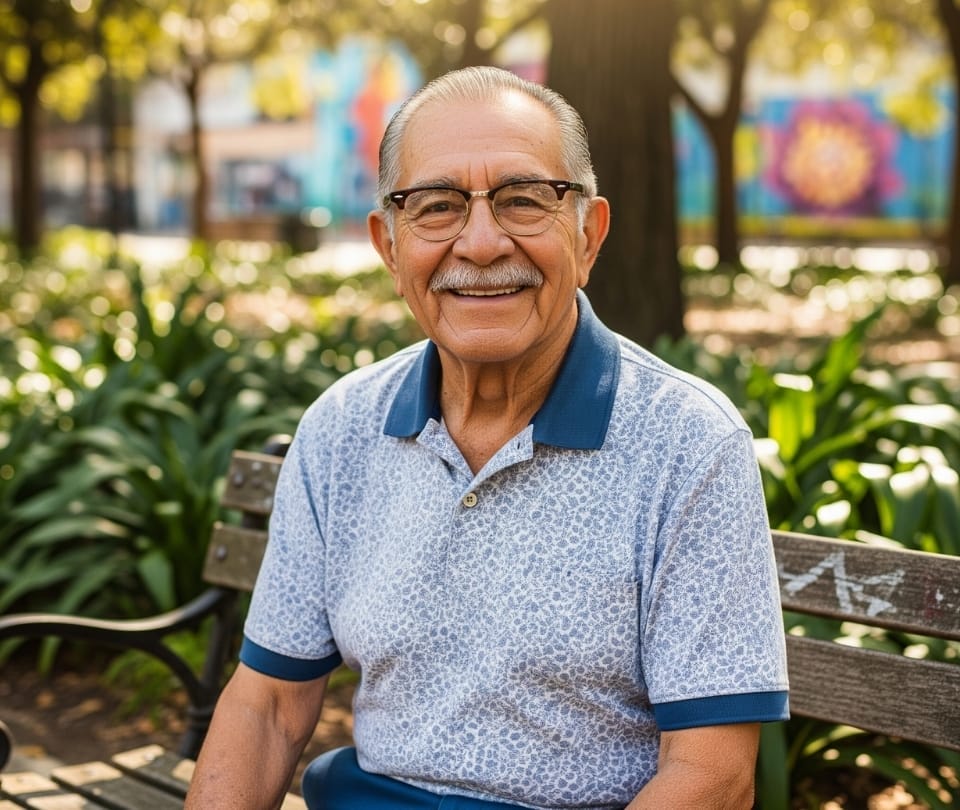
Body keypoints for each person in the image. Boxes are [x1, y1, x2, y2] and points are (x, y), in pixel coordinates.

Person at [185, 65, 789, 810]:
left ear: (588, 233)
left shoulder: (687, 442)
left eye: (524, 200)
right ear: (389, 244)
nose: (479, 243)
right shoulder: (341, 428)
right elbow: (269, 706)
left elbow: (712, 775)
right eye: (436, 206)